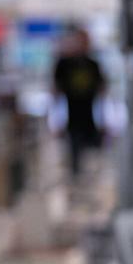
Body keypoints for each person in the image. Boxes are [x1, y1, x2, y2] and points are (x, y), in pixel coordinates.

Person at [52, 26, 105, 177]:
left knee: (92, 160)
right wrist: (55, 121)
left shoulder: (93, 65)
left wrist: (104, 119)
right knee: (73, 161)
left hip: (90, 120)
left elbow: (102, 93)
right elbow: (55, 94)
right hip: (70, 120)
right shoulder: (63, 65)